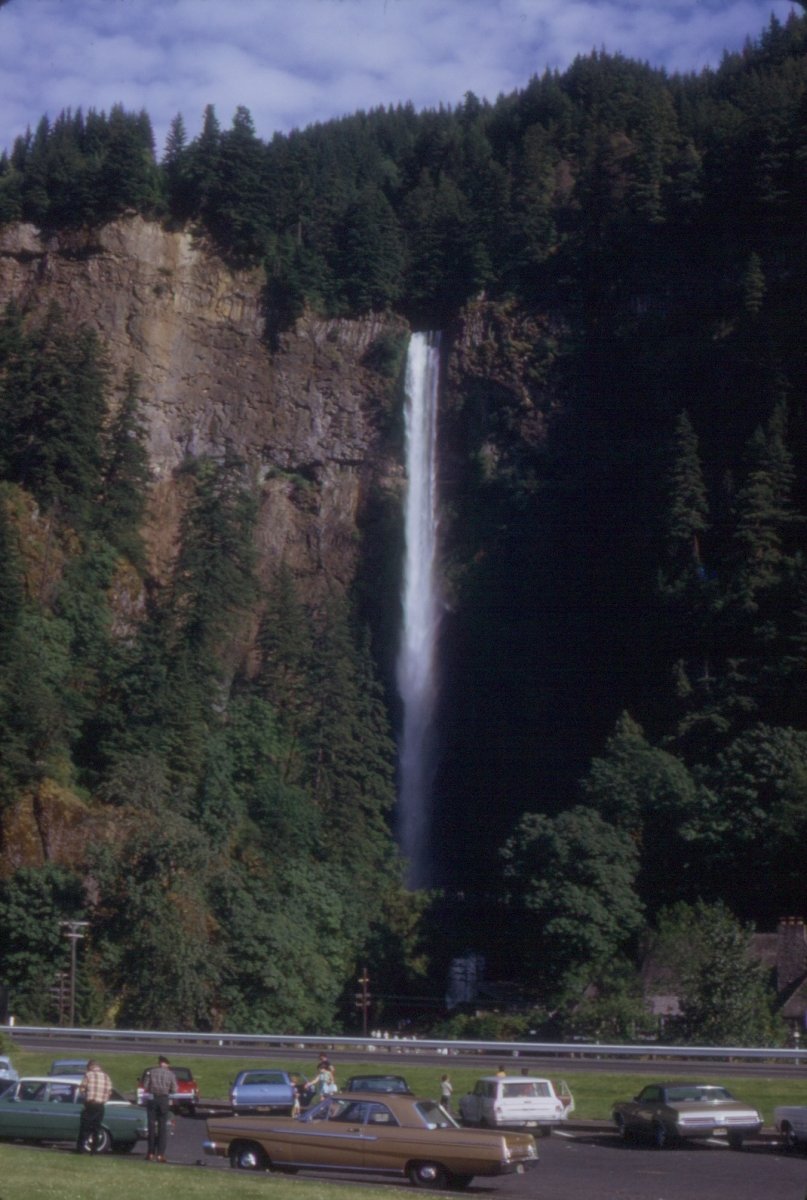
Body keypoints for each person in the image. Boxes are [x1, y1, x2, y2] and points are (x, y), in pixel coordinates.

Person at [142, 1054, 178, 1162]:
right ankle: (160, 1154)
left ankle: (150, 1153)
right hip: (163, 1100)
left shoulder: (151, 1072)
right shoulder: (170, 1074)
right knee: (162, 1128)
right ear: (166, 1064)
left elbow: (145, 1086)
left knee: (151, 1127)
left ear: (159, 1063)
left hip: (153, 1099)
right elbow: (174, 1089)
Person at [76, 1060, 112, 1154]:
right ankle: (94, 1150)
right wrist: (104, 1099)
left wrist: (85, 1095)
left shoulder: (88, 1075)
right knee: (96, 1128)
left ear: (90, 1066)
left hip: (90, 1104)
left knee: (85, 1126)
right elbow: (109, 1091)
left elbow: (82, 1088)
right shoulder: (106, 1076)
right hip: (100, 1105)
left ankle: (80, 1149)